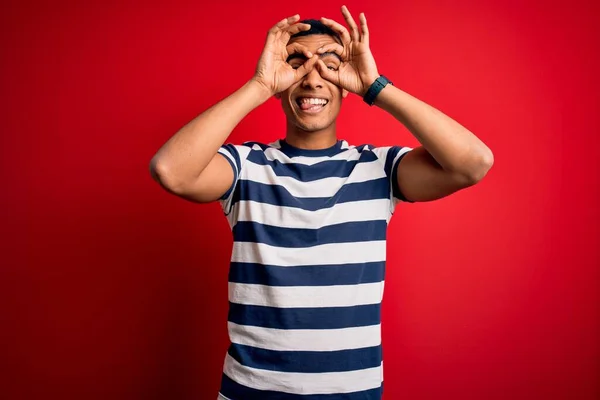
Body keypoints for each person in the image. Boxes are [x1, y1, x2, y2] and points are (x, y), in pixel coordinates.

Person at [150, 5, 493, 400]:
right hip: (250, 391)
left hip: (353, 392)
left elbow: (474, 163)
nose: (313, 80)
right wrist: (260, 85)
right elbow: (170, 171)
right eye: (297, 64)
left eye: (329, 65)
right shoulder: (246, 167)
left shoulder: (377, 169)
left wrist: (376, 86)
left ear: (346, 82)